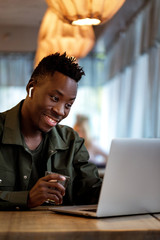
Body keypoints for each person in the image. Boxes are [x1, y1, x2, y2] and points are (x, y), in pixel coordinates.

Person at [0, 52, 102, 210]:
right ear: (31, 88)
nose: (60, 111)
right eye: (55, 98)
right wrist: (26, 198)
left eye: (68, 105)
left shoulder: (71, 141)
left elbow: (92, 191)